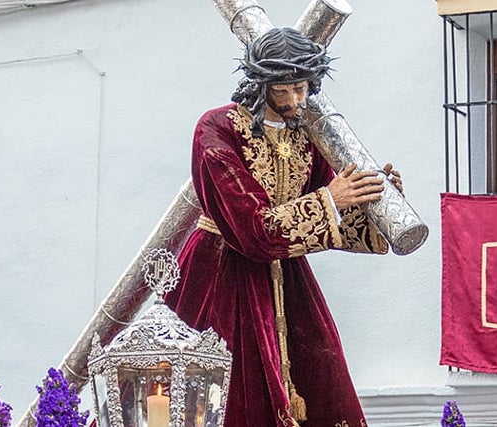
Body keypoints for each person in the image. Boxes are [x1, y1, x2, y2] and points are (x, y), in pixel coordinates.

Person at [165, 27, 402, 427]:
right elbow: (250, 229)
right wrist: (332, 198)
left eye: (302, 88)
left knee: (322, 380)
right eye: (283, 90)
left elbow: (333, 220)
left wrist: (371, 199)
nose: (295, 101)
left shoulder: (308, 135)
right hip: (221, 273)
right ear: (260, 84)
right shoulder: (217, 128)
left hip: (288, 278)